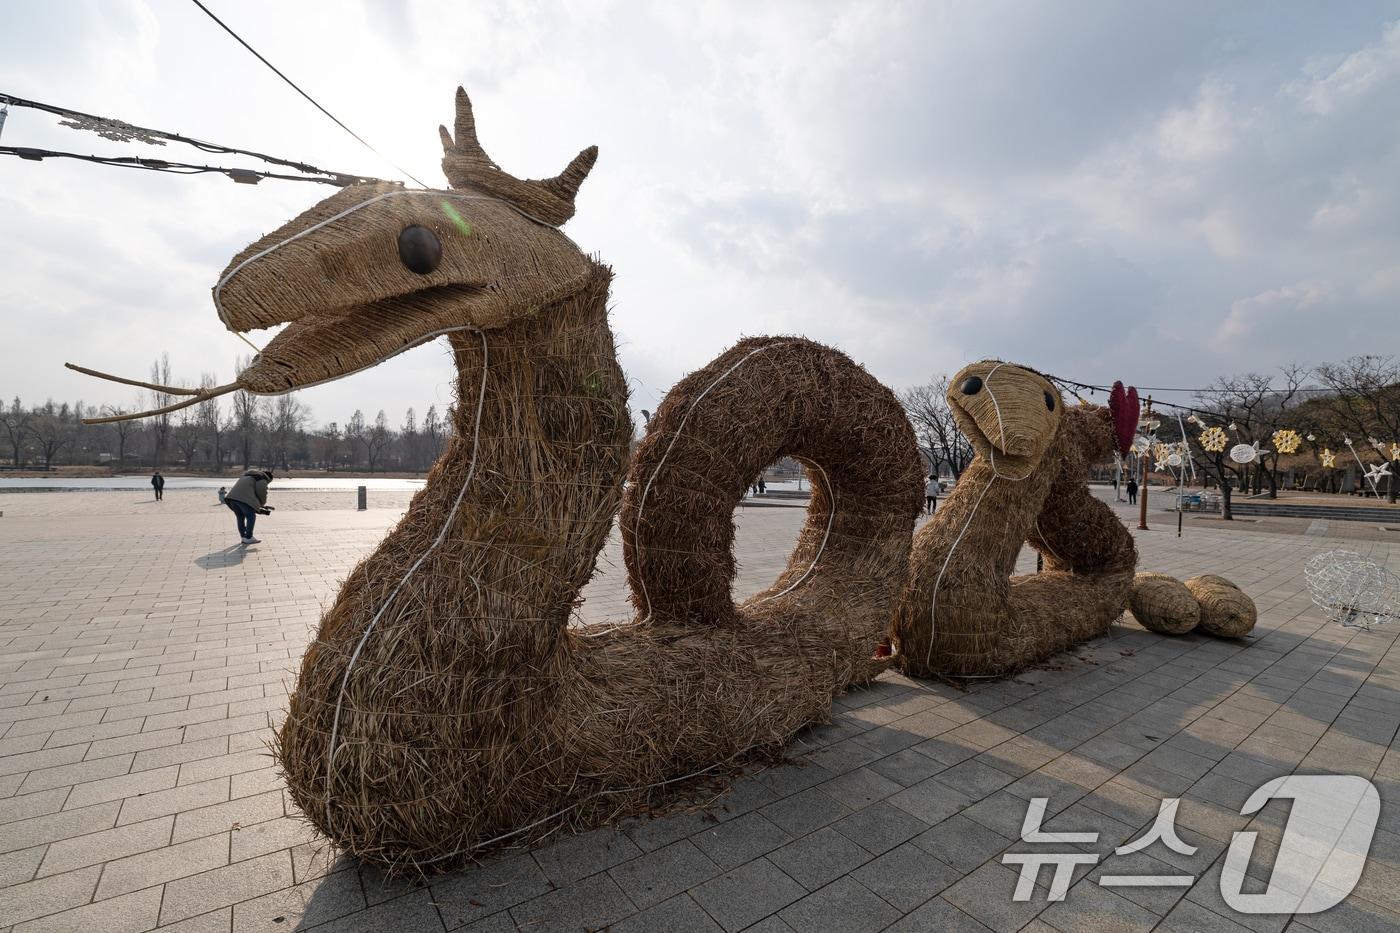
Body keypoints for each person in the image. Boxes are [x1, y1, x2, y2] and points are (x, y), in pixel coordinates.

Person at [225, 469, 274, 545]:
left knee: (240, 517)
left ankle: (243, 537)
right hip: (243, 499)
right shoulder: (262, 478)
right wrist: (262, 503)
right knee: (251, 516)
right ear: (269, 479)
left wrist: (259, 506)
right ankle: (248, 537)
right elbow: (261, 492)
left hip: (232, 499)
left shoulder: (247, 476)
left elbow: (249, 492)